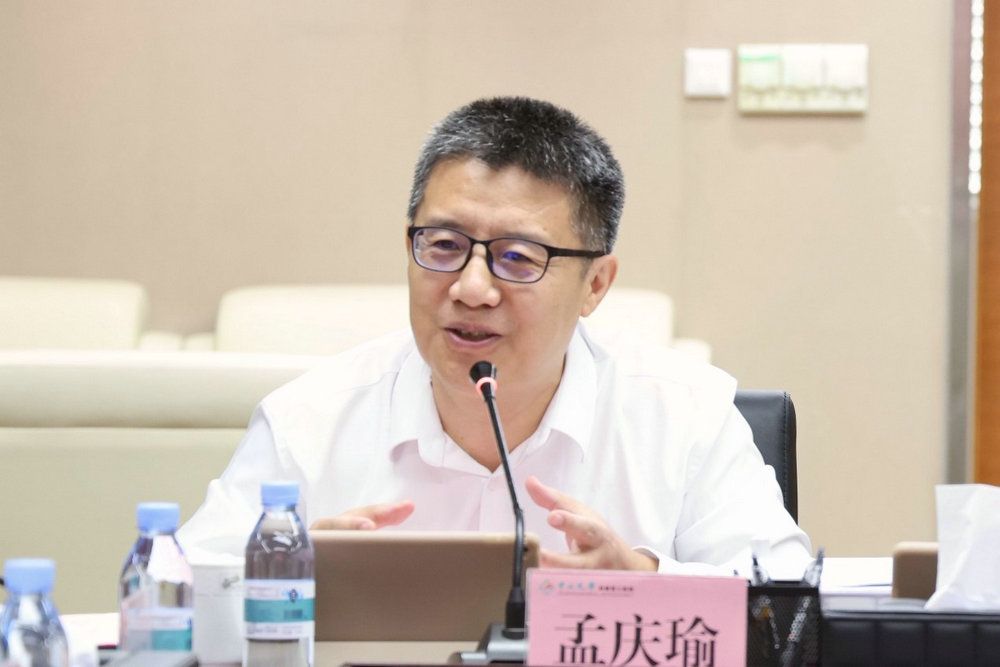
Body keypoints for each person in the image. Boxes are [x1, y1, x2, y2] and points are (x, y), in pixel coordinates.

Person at [178, 96, 810, 575]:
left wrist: (645, 582)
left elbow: (788, 609)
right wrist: (279, 578)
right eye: (444, 245)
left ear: (595, 285)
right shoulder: (308, 420)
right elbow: (172, 596)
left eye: (517, 257)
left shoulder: (685, 417)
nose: (472, 287)